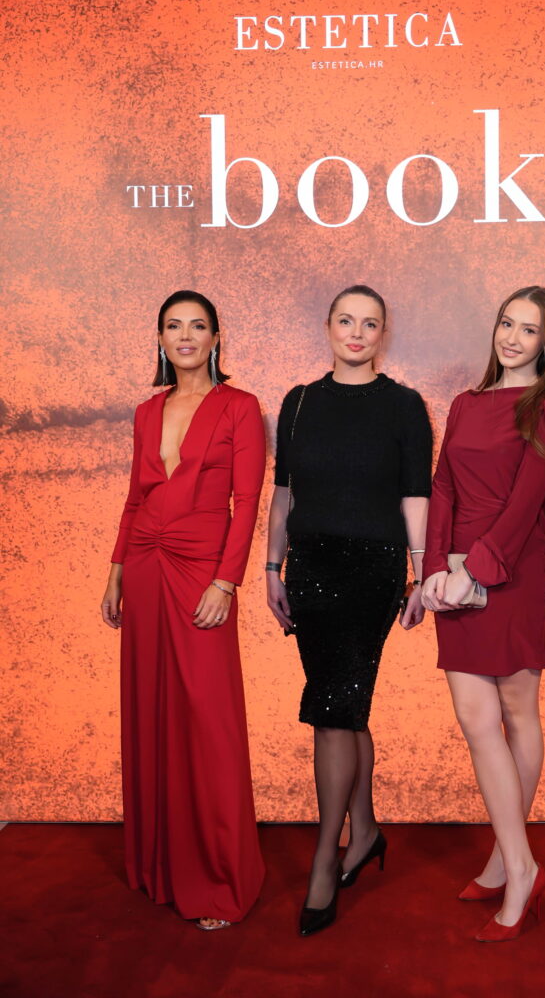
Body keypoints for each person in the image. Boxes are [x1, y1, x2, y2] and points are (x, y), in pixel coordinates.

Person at [266, 285, 432, 937]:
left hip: (372, 572)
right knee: (346, 703)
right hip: (309, 567)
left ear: (383, 333)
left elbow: (415, 497)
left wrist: (421, 574)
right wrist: (271, 567)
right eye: (345, 320)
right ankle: (363, 831)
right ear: (328, 327)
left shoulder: (404, 406)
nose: (356, 332)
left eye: (369, 323)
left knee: (333, 709)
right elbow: (283, 493)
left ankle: (323, 859)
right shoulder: (299, 402)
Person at [422, 286, 545, 942]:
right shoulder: (465, 403)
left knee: (517, 715)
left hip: (512, 575)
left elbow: (524, 506)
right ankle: (513, 860)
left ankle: (512, 866)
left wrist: (474, 570)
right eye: (506, 324)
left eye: (529, 329)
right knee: (474, 718)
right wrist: (435, 568)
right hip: (457, 574)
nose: (512, 338)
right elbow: (442, 487)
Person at [101, 290, 266, 930]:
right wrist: (115, 573)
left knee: (206, 718)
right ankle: (160, 866)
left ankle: (220, 879)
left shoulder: (240, 407)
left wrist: (226, 582)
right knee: (153, 710)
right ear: (161, 339)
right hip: (144, 568)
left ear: (216, 337)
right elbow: (133, 499)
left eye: (198, 326)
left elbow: (247, 504)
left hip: (202, 570)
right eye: (174, 326)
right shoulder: (148, 411)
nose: (186, 336)